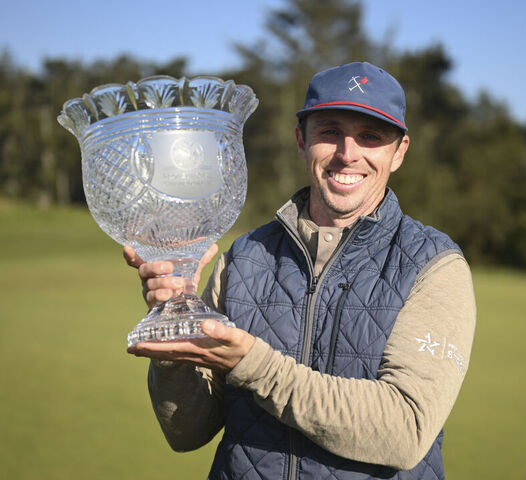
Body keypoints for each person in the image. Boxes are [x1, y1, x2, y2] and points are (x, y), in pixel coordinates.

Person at [125, 62, 476, 480]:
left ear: (398, 152)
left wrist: (254, 364)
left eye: (371, 137)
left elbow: (404, 431)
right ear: (301, 140)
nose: (348, 153)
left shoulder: (434, 265)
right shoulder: (244, 256)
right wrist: (175, 333)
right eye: (330, 131)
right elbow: (186, 431)